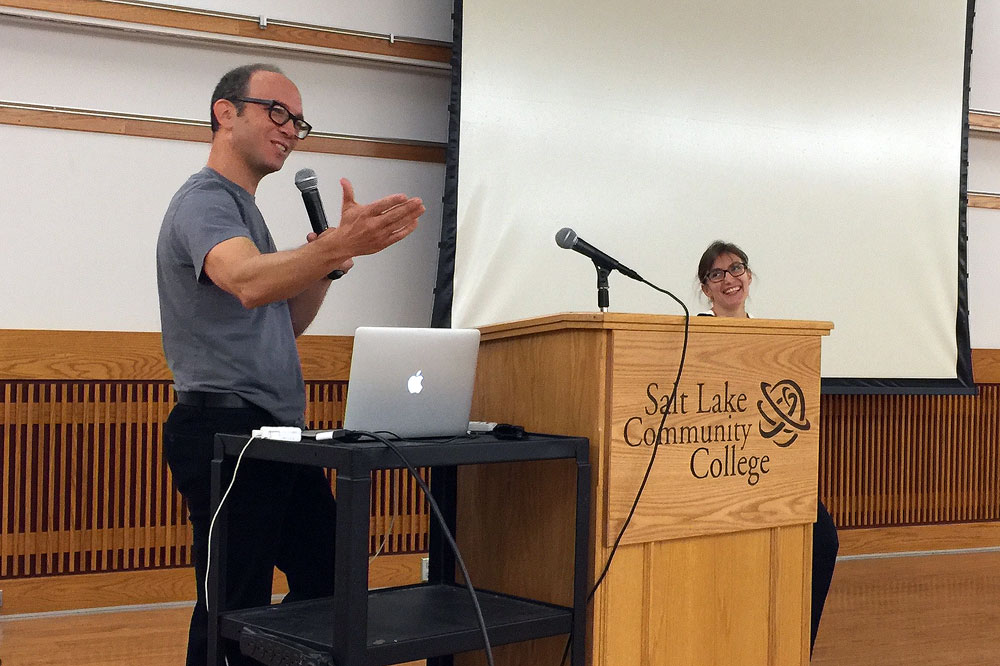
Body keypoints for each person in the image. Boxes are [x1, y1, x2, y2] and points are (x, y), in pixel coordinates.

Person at [156, 63, 425, 665]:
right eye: (276, 111)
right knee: (231, 605)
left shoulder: (247, 214)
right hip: (225, 432)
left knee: (328, 571)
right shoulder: (206, 201)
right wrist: (338, 245)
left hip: (272, 433)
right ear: (226, 112)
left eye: (298, 121)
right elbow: (247, 282)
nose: (289, 128)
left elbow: (285, 318)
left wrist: (326, 263)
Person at [697, 240, 839, 655]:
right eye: (717, 274)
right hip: (715, 471)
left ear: (749, 276)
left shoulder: (775, 340)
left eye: (736, 269)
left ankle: (796, 649)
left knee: (823, 540)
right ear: (705, 288)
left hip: (770, 469)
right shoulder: (692, 335)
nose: (730, 279)